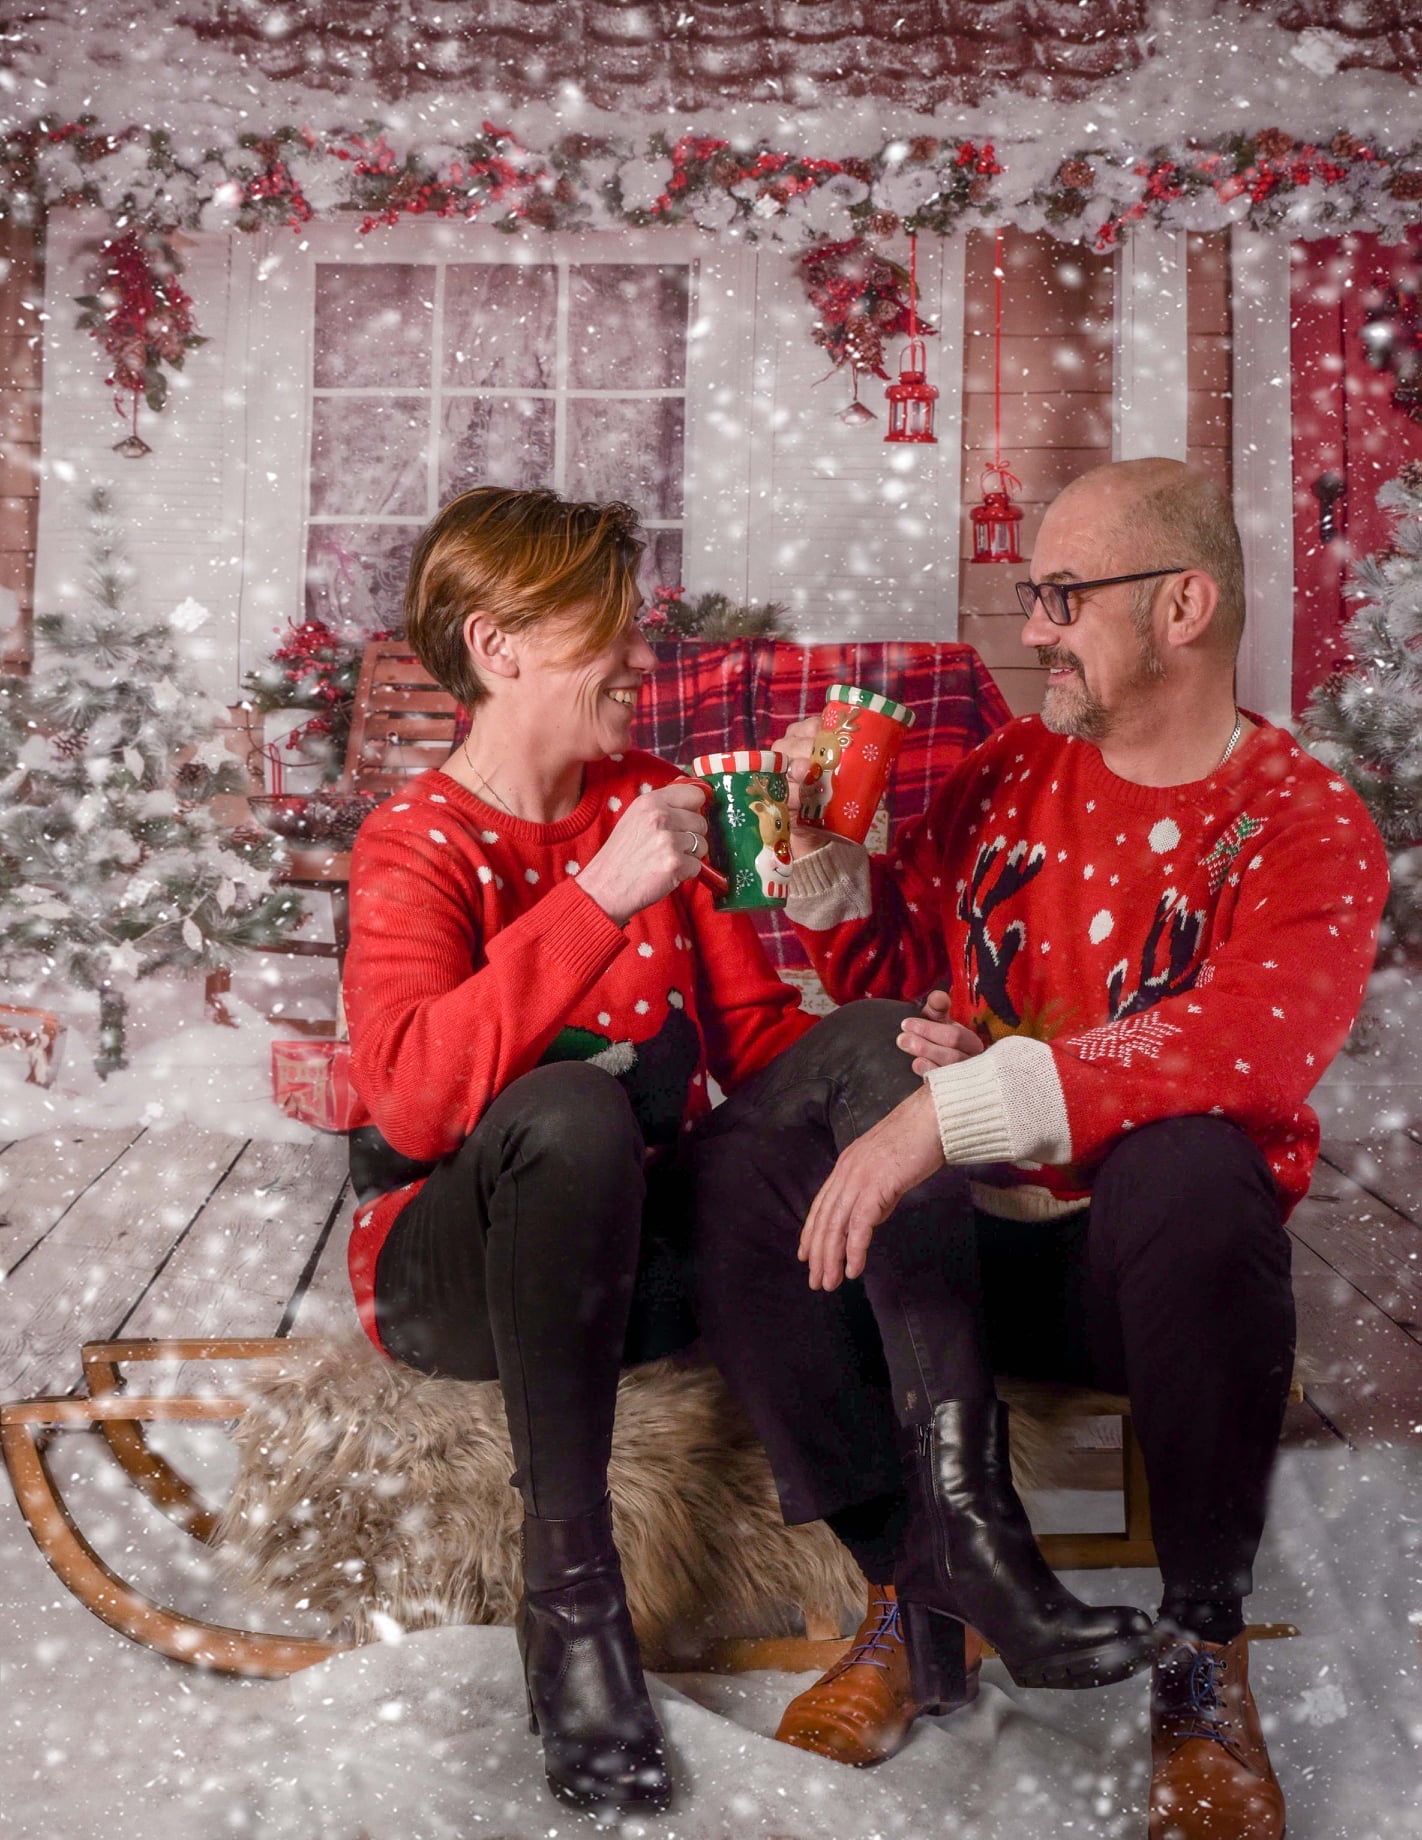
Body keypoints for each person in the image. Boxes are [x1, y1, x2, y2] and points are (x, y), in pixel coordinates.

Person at [341, 484, 1153, 1815]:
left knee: (878, 1045)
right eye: (613, 629)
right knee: (570, 1109)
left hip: (636, 1260)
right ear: (501, 648)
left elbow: (762, 1044)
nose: (644, 660)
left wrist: (897, 1069)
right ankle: (575, 1606)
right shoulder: (418, 843)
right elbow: (415, 1107)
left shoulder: (660, 798)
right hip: (458, 1277)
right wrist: (597, 899)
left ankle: (962, 1534)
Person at [692, 458, 1389, 1836]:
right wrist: (838, 895)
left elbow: (1241, 1046)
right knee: (749, 1166)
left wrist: (968, 1104)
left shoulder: (1303, 825)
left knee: (1193, 1160)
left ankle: (1200, 1652)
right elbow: (913, 977)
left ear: (1182, 603)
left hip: (1132, 1286)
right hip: (941, 1271)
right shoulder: (1007, 774)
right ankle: (912, 1592)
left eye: (1064, 596)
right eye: (1032, 596)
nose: (1036, 629)